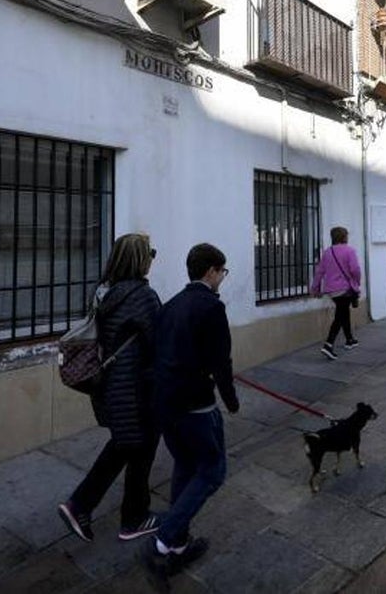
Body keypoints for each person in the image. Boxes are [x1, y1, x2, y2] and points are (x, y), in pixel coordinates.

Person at [139, 243, 240, 589]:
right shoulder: (211, 307)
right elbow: (221, 362)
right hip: (196, 405)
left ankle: (178, 544)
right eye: (222, 272)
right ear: (210, 271)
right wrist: (231, 400)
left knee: (185, 465)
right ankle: (160, 542)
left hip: (165, 405)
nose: (222, 279)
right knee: (213, 471)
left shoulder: (170, 305)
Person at [58, 233, 163, 544]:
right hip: (138, 389)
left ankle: (84, 506)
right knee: (139, 449)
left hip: (113, 386)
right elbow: (159, 343)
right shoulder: (143, 297)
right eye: (150, 254)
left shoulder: (106, 293)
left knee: (124, 445)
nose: (152, 260)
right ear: (140, 259)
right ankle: (129, 517)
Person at [310, 226, 363, 360]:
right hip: (345, 289)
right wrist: (356, 281)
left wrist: (315, 288)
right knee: (340, 316)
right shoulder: (349, 251)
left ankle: (350, 339)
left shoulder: (327, 252)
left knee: (343, 312)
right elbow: (355, 269)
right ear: (344, 237)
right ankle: (328, 344)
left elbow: (319, 272)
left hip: (332, 291)